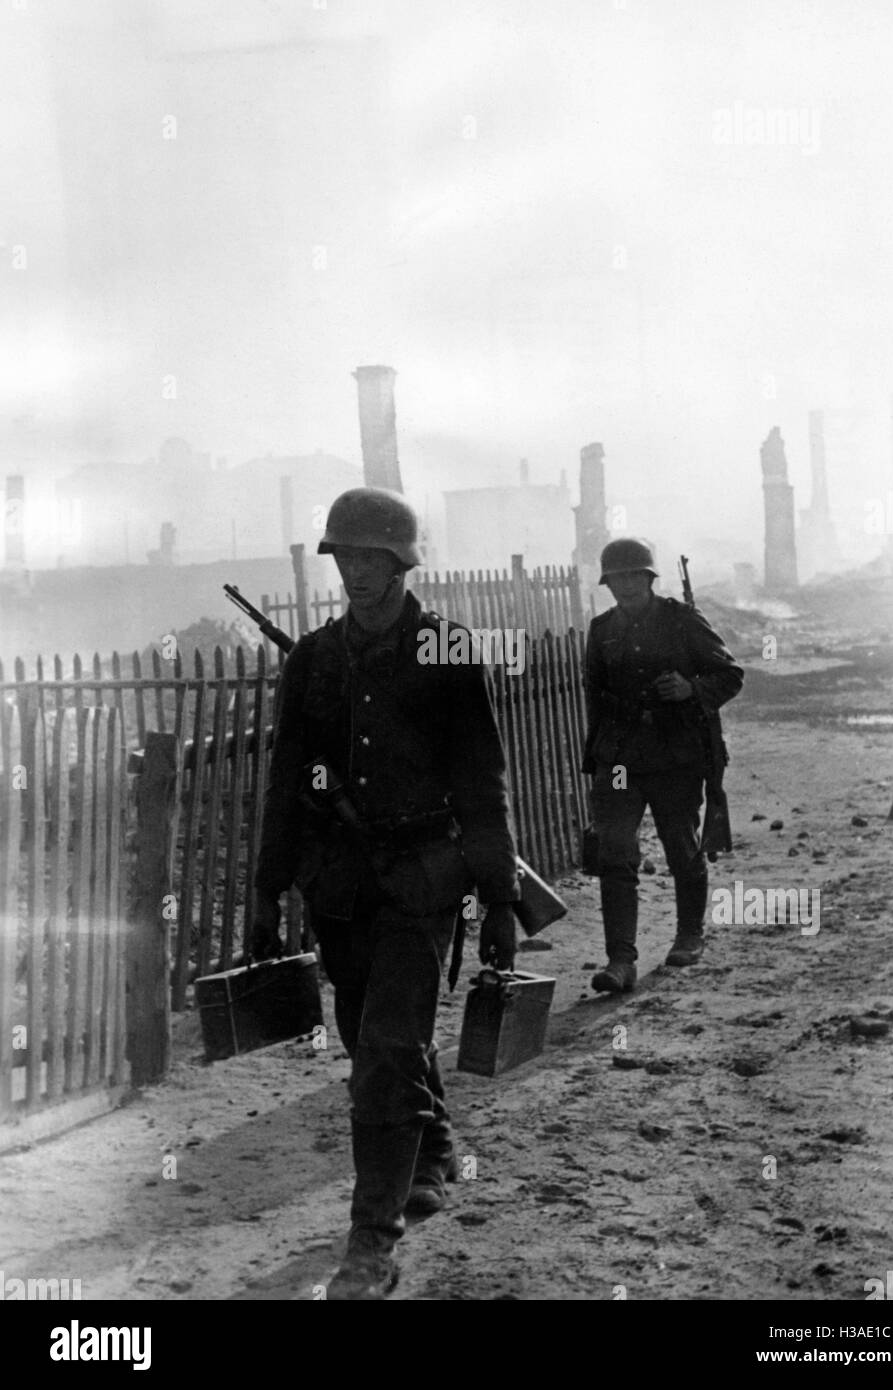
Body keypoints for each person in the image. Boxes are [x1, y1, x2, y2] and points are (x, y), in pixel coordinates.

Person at [250, 487, 520, 1301]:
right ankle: (431, 1145)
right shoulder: (311, 661)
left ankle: (371, 1240)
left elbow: (482, 782)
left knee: (386, 1049)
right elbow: (286, 782)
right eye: (346, 560)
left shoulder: (446, 650)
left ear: (402, 565)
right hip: (340, 886)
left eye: (373, 560)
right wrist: (267, 891)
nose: (357, 575)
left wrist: (500, 898)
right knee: (372, 1031)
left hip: (423, 880)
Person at [582, 538, 743, 992]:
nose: (625, 585)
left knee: (681, 846)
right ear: (607, 583)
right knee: (615, 852)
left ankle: (689, 934)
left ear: (650, 579)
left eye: (634, 576)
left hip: (675, 755)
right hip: (619, 759)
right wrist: (596, 758)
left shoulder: (682, 620)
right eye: (616, 578)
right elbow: (594, 697)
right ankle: (621, 961)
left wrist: (692, 689)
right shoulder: (601, 630)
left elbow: (730, 675)